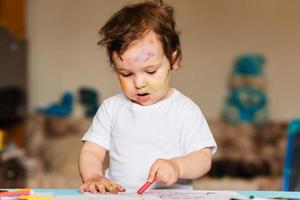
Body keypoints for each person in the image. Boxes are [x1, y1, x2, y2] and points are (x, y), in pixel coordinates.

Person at [79, 0, 217, 194]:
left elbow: (203, 159)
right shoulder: (111, 108)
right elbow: (92, 151)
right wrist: (93, 175)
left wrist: (176, 166)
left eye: (150, 71)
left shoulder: (184, 110)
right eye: (126, 74)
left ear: (174, 60)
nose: (138, 83)